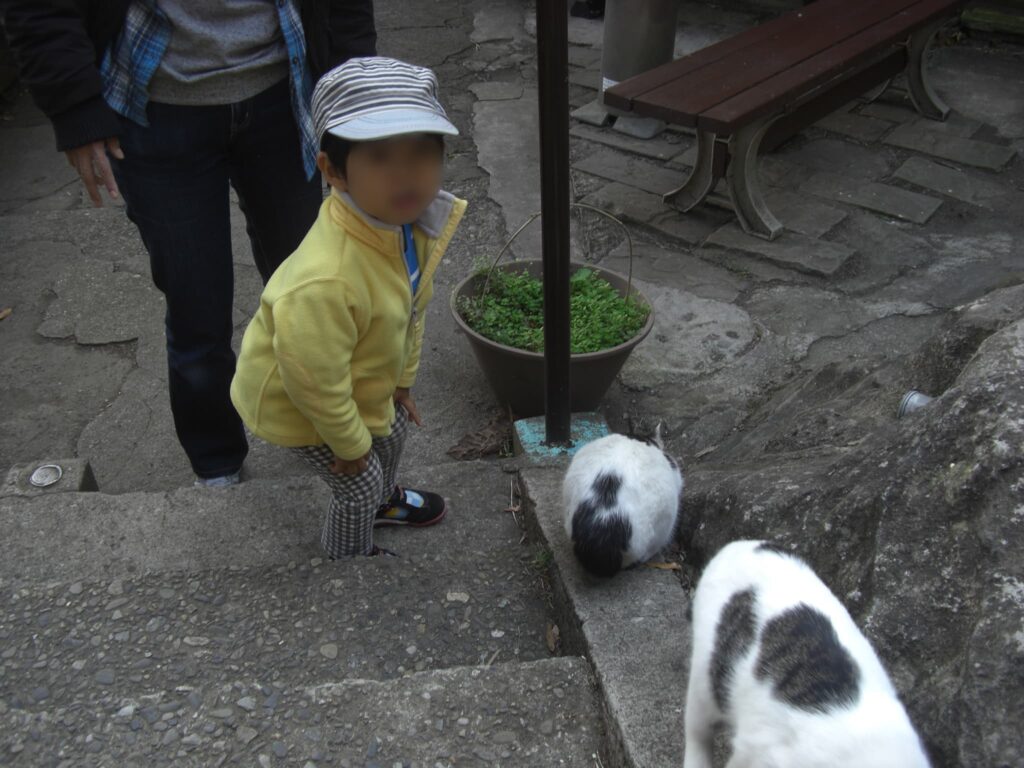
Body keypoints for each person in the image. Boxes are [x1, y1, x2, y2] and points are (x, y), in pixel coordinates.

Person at [0, 1, 376, 486]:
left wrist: (356, 87)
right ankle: (217, 466)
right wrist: (72, 105)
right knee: (196, 309)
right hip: (154, 107)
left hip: (285, 94)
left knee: (312, 293)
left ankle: (327, 431)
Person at [229, 57, 467, 558]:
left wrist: (404, 379)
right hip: (299, 403)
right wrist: (350, 448)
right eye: (380, 157)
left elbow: (411, 308)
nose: (407, 175)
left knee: (395, 425)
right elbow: (313, 380)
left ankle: (384, 498)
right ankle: (350, 560)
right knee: (355, 484)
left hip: (353, 375)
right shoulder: (325, 279)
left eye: (423, 152)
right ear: (333, 170)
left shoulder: (406, 224)